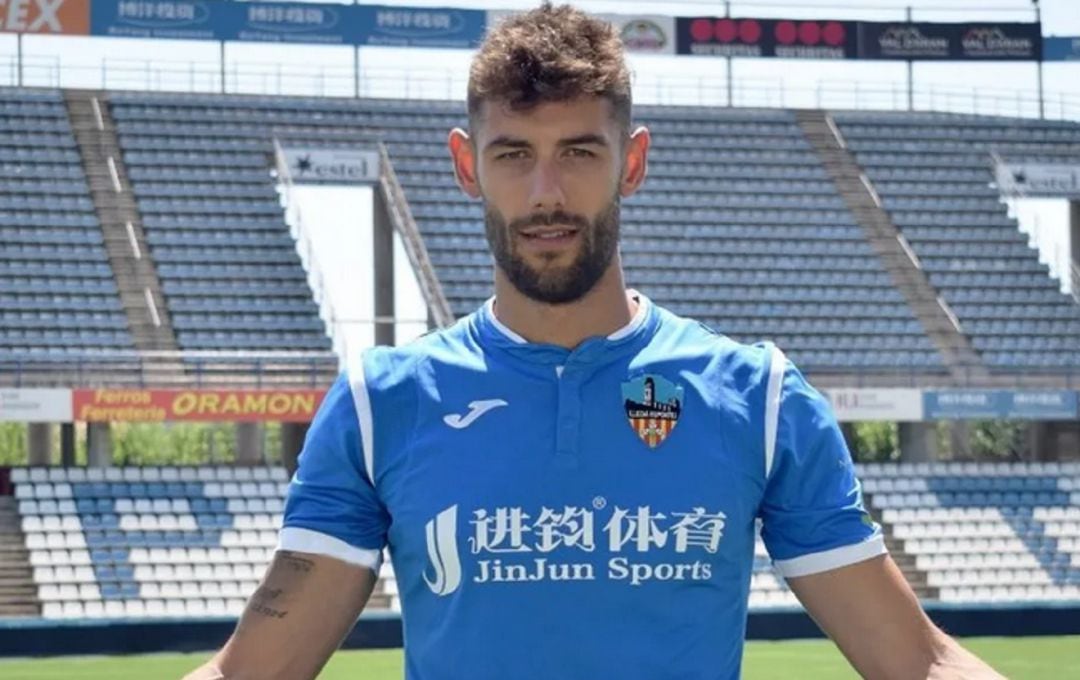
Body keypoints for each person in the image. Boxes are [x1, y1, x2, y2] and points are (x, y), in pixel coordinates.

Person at [185, 4, 1004, 679]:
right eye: (515, 155)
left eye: (579, 152)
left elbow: (919, 664)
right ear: (468, 168)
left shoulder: (757, 400)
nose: (547, 194)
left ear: (632, 161)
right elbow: (250, 672)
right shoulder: (381, 405)